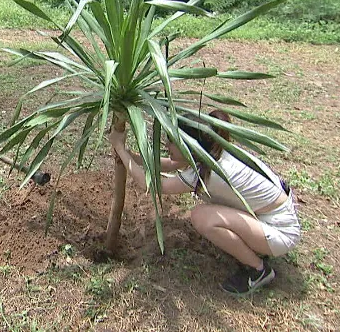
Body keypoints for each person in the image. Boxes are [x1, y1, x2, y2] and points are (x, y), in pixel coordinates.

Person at [108, 109, 300, 296]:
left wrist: (120, 148)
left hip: (281, 231)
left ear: (188, 146)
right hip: (268, 216)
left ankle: (258, 270)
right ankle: (255, 248)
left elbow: (149, 184)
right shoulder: (212, 153)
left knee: (202, 217)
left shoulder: (208, 172)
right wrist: (130, 157)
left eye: (172, 142)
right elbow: (171, 164)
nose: (167, 145)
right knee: (207, 214)